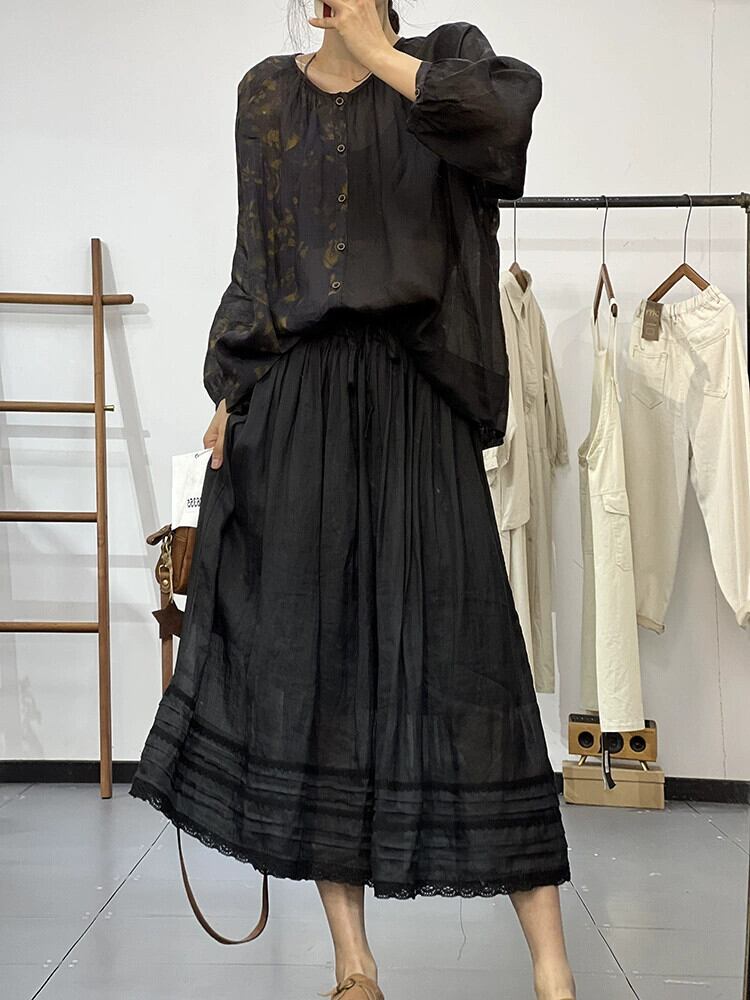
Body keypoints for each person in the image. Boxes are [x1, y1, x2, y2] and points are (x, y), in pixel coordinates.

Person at [130, 3, 576, 998]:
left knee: (472, 662)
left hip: (419, 402)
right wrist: (229, 390)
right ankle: (353, 961)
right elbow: (257, 260)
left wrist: (376, 53)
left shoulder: (446, 62)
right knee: (313, 667)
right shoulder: (266, 93)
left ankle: (553, 970)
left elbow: (504, 129)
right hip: (296, 406)